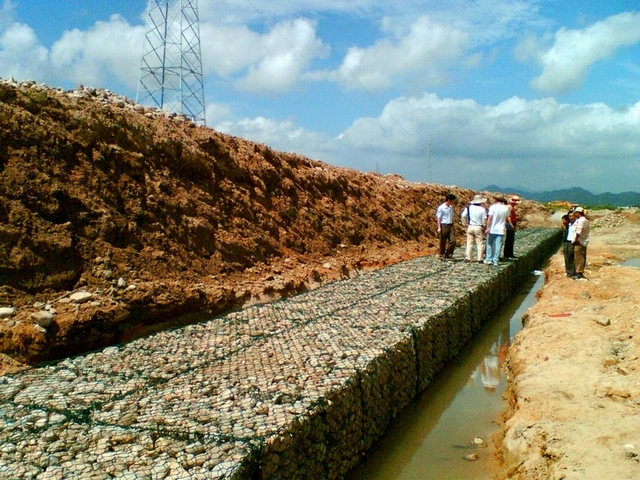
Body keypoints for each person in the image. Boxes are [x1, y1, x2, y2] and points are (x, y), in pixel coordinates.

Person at [484, 197, 513, 266]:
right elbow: (507, 218)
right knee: (498, 245)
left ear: (496, 200)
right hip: (500, 230)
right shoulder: (506, 208)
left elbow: (489, 218)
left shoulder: (492, 207)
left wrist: (487, 228)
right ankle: (496, 260)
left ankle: (489, 259)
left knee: (489, 244)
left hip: (492, 229)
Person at [460, 194, 487, 263]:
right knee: (479, 243)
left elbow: (463, 215)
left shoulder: (468, 208)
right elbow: (484, 219)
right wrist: (484, 226)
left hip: (470, 226)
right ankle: (480, 258)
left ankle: (468, 258)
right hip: (478, 227)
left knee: (469, 243)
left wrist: (465, 224)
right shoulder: (482, 209)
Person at [436, 193, 457, 259]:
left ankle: (448, 253)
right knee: (443, 240)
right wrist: (439, 227)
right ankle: (441, 253)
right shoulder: (441, 208)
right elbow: (438, 217)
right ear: (449, 200)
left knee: (453, 241)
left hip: (450, 225)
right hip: (444, 225)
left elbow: (452, 216)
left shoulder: (450, 207)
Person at [572, 207, 590, 279]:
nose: (574, 214)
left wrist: (576, 239)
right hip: (583, 240)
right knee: (582, 256)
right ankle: (579, 272)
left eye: (575, 213)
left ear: (578, 213)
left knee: (579, 257)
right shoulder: (585, 220)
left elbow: (579, 231)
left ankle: (579, 272)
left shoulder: (581, 221)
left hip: (580, 241)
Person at [561, 213, 576, 277]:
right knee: (566, 257)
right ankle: (568, 271)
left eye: (564, 220)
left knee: (570, 257)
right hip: (566, 242)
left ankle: (571, 272)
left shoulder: (571, 226)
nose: (563, 222)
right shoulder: (567, 226)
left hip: (570, 242)